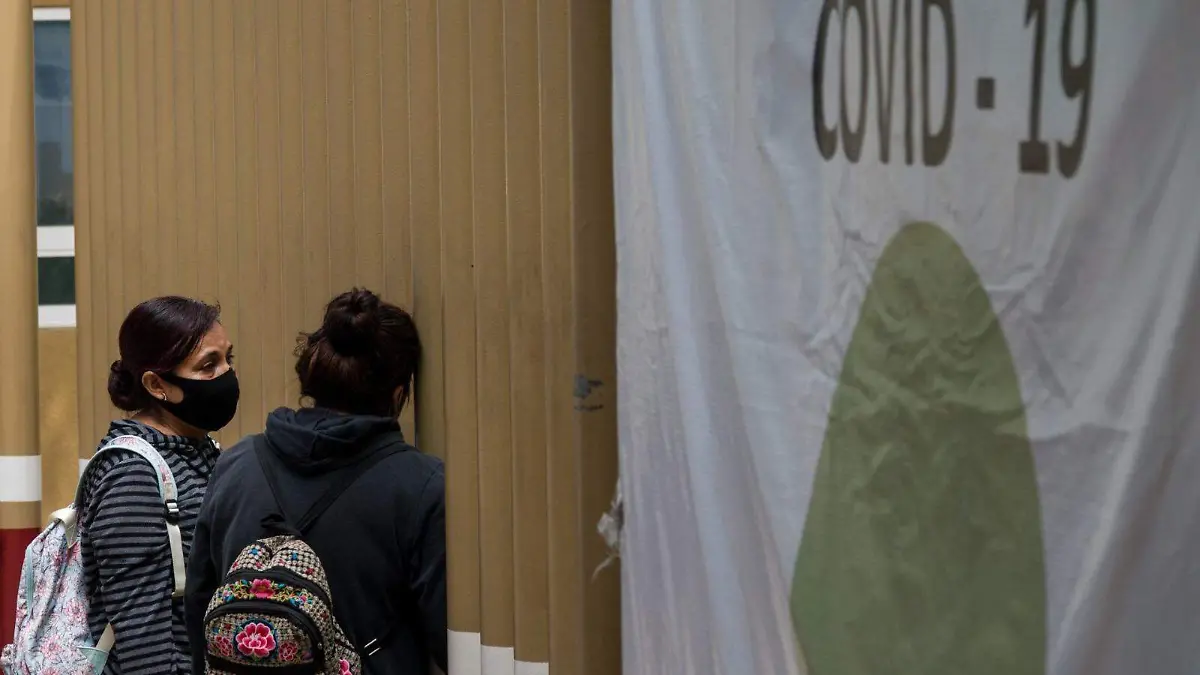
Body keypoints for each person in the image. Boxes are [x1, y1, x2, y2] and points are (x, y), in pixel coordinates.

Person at [185, 288, 447, 674]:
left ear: (313, 379)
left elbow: (200, 609)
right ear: (397, 395)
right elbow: (447, 636)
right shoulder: (422, 486)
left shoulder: (235, 466)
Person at [80, 296, 239, 674]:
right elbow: (142, 638)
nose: (227, 374)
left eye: (228, 358)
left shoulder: (199, 449)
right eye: (209, 366)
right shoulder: (132, 477)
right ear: (156, 384)